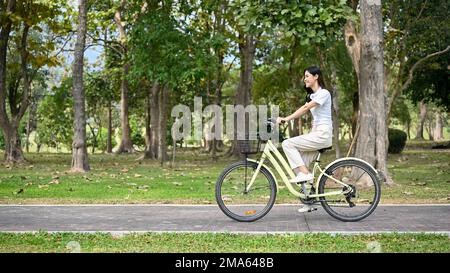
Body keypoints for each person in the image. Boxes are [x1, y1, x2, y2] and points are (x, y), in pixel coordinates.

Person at [276, 66, 333, 213]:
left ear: (316, 77)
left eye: (307, 76)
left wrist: (286, 119)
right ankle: (309, 201)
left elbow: (305, 109)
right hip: (317, 134)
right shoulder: (313, 96)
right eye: (304, 76)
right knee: (298, 165)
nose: (305, 79)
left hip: (323, 135)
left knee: (287, 143)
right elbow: (311, 114)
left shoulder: (324, 93)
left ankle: (306, 175)